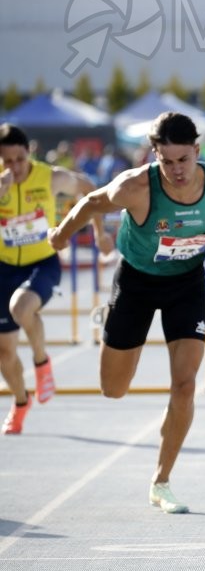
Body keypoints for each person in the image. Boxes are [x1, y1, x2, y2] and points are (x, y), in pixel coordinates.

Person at [48, 112, 205, 513]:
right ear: (155, 155)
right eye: (167, 161)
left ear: (197, 152)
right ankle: (112, 324)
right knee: (114, 389)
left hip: (186, 284)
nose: (176, 170)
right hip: (136, 282)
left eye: (183, 160)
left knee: (184, 385)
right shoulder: (135, 186)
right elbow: (90, 203)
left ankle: (161, 481)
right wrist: (61, 234)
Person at [0, 123, 112, 434]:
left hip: (42, 262)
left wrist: (100, 232)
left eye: (20, 160)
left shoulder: (49, 177)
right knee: (4, 352)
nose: (15, 168)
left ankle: (41, 362)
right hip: (4, 267)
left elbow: (89, 189)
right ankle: (21, 403)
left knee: (21, 308)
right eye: (7, 161)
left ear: (29, 153)